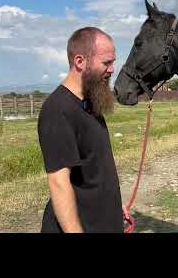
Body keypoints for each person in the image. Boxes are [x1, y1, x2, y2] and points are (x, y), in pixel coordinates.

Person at [38, 27, 125, 233]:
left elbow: (94, 168)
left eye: (112, 62)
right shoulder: (58, 110)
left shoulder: (89, 103)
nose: (112, 69)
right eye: (107, 63)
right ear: (80, 61)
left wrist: (113, 209)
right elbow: (59, 182)